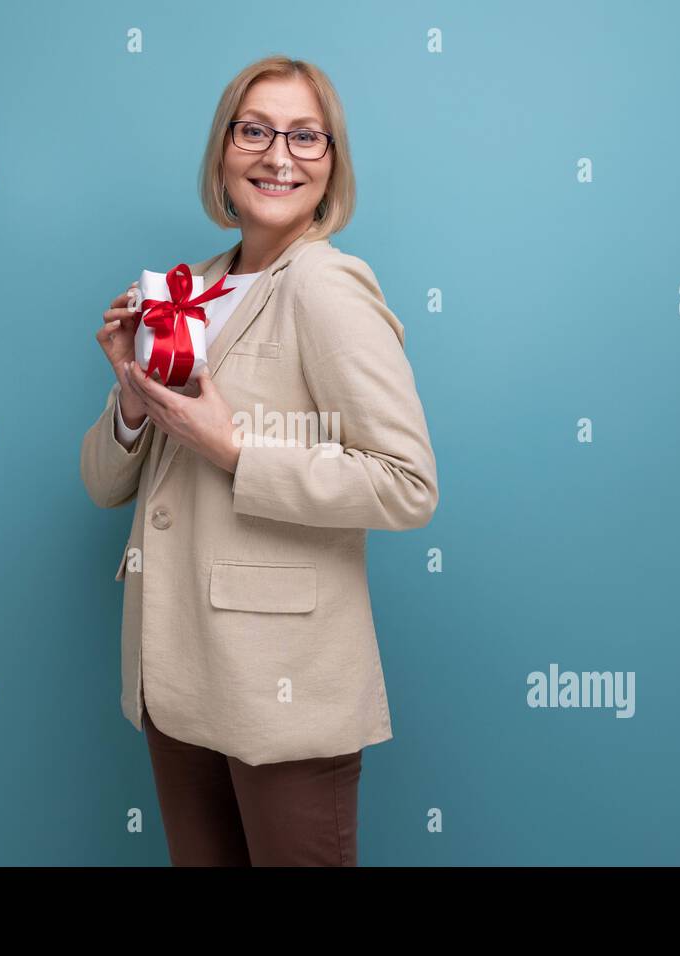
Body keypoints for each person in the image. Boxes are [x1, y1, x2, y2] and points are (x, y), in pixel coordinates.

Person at [80, 54, 438, 866]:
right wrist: (133, 398)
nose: (279, 156)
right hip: (174, 676)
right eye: (256, 131)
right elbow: (104, 486)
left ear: (332, 163)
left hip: (281, 690)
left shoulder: (327, 285)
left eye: (306, 137)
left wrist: (236, 449)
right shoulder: (191, 290)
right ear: (222, 154)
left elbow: (408, 484)